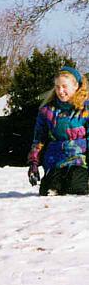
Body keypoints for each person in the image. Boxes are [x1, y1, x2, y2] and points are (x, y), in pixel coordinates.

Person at [27, 65, 89, 196]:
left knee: (75, 187)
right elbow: (39, 138)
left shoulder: (85, 109)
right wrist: (33, 162)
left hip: (80, 159)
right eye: (57, 87)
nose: (60, 91)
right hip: (56, 159)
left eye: (64, 86)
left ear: (76, 86)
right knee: (49, 190)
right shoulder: (47, 111)